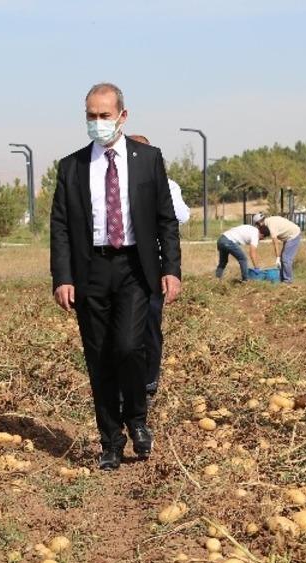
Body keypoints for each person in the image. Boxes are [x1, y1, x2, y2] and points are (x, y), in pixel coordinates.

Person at [50, 83, 182, 470]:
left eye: (104, 115)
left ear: (122, 116)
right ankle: (110, 438)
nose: (97, 122)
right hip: (90, 269)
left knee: (128, 346)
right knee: (99, 357)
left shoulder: (148, 159)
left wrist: (171, 269)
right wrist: (63, 276)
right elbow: (60, 226)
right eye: (90, 116)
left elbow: (166, 219)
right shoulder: (72, 166)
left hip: (134, 267)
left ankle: (137, 418)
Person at [127, 134, 188, 400]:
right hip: (117, 264)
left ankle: (148, 383)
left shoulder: (166, 185)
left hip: (152, 264)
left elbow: (180, 216)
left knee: (149, 324)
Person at [256, 212, 302, 284]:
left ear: (260, 223)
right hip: (289, 236)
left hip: (293, 235)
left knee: (286, 258)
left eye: (257, 225)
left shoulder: (271, 226)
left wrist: (277, 257)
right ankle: (282, 279)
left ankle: (288, 281)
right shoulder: (269, 221)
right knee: (283, 258)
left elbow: (275, 243)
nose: (258, 227)